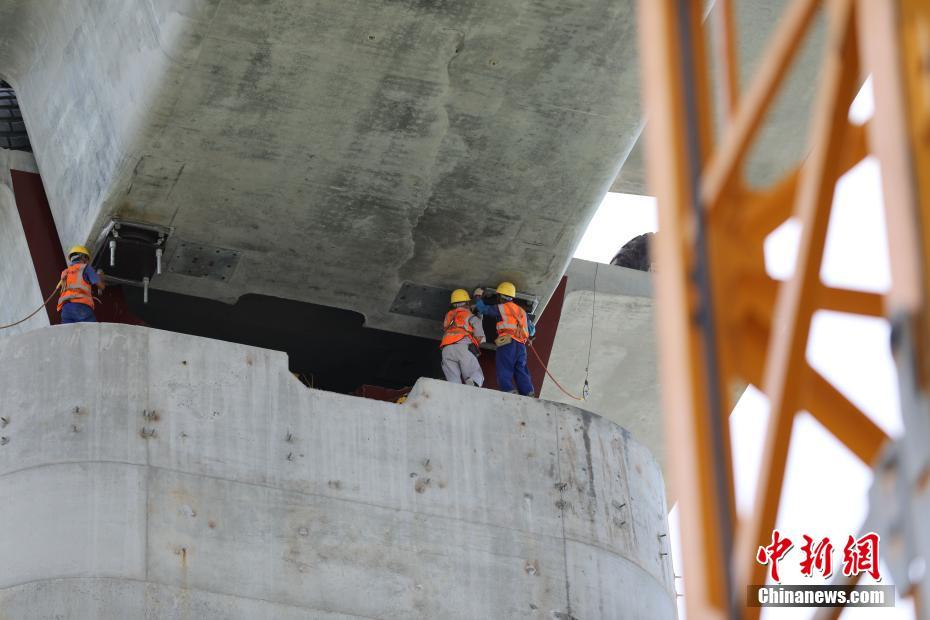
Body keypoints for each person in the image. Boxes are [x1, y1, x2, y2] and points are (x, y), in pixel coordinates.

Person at [473, 281, 536, 396]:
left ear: (500, 297)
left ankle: (508, 390)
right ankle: (528, 391)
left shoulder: (502, 307)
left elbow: (484, 309)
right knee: (521, 369)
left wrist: (478, 296)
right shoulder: (522, 311)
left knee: (504, 367)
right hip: (521, 346)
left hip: (507, 342)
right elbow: (532, 330)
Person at [439, 288, 485, 386]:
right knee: (475, 374)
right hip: (463, 346)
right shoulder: (470, 316)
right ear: (467, 302)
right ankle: (472, 384)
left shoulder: (448, 316)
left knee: (453, 381)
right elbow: (480, 336)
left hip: (446, 349)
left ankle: (455, 392)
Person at [57, 245, 105, 324]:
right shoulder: (86, 268)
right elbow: (101, 286)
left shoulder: (65, 272)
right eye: (87, 259)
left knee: (70, 334)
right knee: (92, 331)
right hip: (80, 307)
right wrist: (101, 277)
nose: (87, 262)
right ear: (83, 257)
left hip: (65, 310)